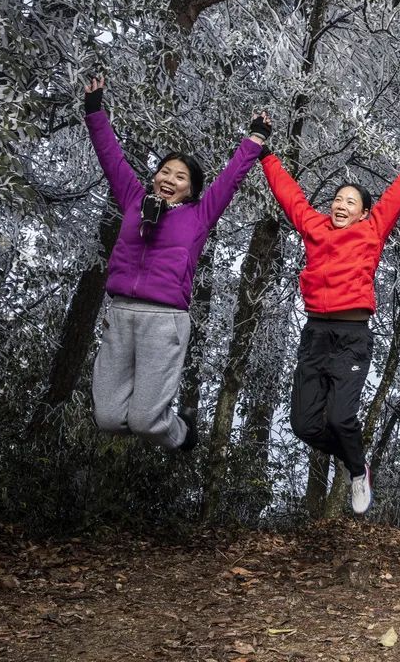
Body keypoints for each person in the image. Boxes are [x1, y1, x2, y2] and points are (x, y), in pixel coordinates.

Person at [261, 126, 400, 514]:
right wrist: (264, 154)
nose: (341, 205)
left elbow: (398, 194)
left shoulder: (372, 230)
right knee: (304, 425)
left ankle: (357, 470)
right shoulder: (314, 228)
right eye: (337, 199)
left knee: (342, 416)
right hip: (315, 334)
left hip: (351, 335)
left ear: (364, 212)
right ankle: (355, 462)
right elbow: (290, 195)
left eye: (351, 201)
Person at [85, 77, 269, 451]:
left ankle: (182, 433)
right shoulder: (134, 200)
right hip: (120, 313)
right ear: (155, 177)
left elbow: (231, 178)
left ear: (191, 189)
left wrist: (256, 138)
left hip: (164, 320)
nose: (169, 179)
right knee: (106, 417)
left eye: (179, 176)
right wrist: (94, 109)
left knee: (146, 421)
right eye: (165, 172)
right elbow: (110, 156)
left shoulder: (199, 216)